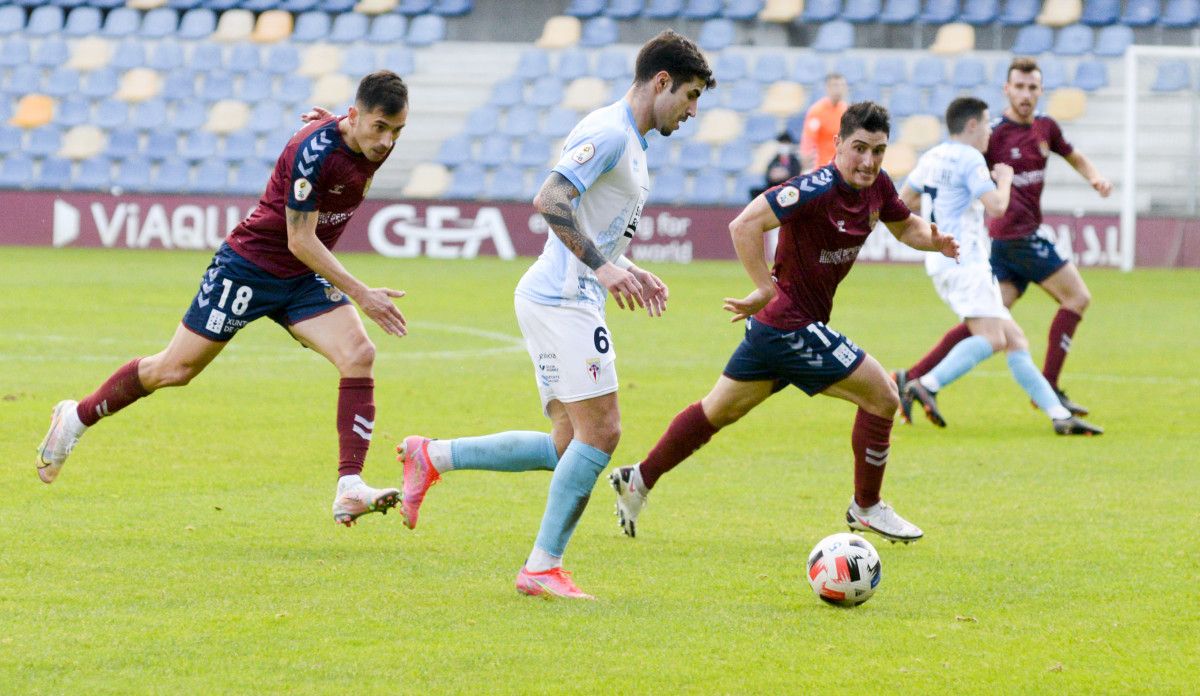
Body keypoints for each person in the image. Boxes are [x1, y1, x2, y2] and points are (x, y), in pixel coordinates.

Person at [396, 30, 714, 600]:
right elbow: (550, 200)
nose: (693, 111)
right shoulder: (610, 132)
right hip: (561, 297)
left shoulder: (633, 142)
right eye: (690, 95)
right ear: (661, 81)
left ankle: (433, 455)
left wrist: (626, 266)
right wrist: (604, 267)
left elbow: (594, 222)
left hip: (564, 294)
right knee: (604, 432)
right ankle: (542, 567)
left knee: (569, 445)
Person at [36, 71, 412, 527]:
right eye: (380, 128)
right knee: (174, 370)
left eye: (397, 131)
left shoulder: (362, 136)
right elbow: (299, 238)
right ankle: (74, 417)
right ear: (355, 116)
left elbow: (343, 148)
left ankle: (349, 487)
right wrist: (362, 294)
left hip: (303, 276)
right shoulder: (311, 153)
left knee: (358, 354)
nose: (388, 142)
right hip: (251, 266)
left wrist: (337, 123)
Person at [608, 102, 959, 544]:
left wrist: (935, 239)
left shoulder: (878, 187)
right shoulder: (813, 188)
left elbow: (905, 227)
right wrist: (766, 289)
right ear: (837, 144)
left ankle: (637, 479)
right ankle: (866, 507)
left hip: (783, 327)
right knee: (883, 397)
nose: (869, 161)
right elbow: (744, 225)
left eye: (879, 150)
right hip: (789, 322)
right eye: (859, 148)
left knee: (718, 411)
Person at [896, 57, 1112, 417]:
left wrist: (1095, 177)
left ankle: (910, 376)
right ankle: (1051, 389)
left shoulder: (1046, 128)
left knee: (984, 322)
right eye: (1019, 87)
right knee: (1076, 297)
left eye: (1032, 87)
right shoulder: (990, 135)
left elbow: (1074, 156)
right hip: (1015, 237)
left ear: (1040, 90)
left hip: (998, 246)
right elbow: (971, 179)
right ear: (1007, 90)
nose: (1026, 94)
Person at [797, 73, 849, 173]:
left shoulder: (847, 111)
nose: (839, 89)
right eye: (835, 85)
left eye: (842, 85)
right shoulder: (817, 111)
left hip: (841, 168)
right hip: (821, 167)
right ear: (827, 88)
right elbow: (808, 140)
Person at [751, 132, 802, 199]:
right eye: (781, 143)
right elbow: (767, 177)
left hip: (788, 188)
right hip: (774, 187)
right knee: (754, 192)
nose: (783, 146)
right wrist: (772, 176)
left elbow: (796, 176)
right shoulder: (774, 160)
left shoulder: (794, 161)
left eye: (785, 143)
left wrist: (785, 175)